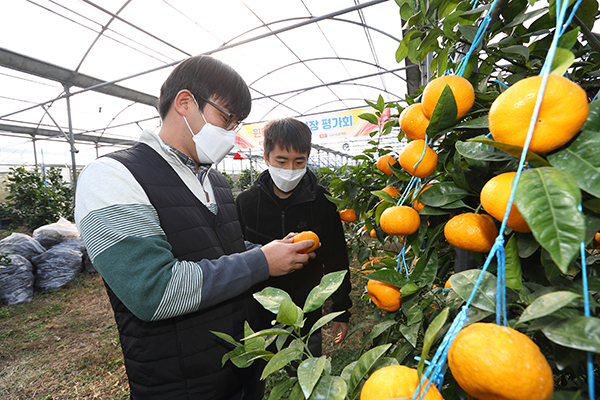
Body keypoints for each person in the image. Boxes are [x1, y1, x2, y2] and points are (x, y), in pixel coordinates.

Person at [74, 56, 316, 400]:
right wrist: (261, 261)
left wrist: (268, 250)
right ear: (185, 103)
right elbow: (153, 290)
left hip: (239, 372)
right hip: (180, 384)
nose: (232, 133)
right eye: (226, 118)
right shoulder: (112, 176)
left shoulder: (213, 180)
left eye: (237, 124)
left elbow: (218, 250)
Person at [236, 118, 352, 358]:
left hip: (305, 306)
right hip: (260, 305)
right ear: (266, 158)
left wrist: (341, 309)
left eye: (299, 162)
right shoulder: (247, 203)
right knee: (260, 368)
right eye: (281, 161)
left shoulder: (321, 201)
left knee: (306, 362)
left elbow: (336, 257)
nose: (290, 169)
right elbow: (236, 254)